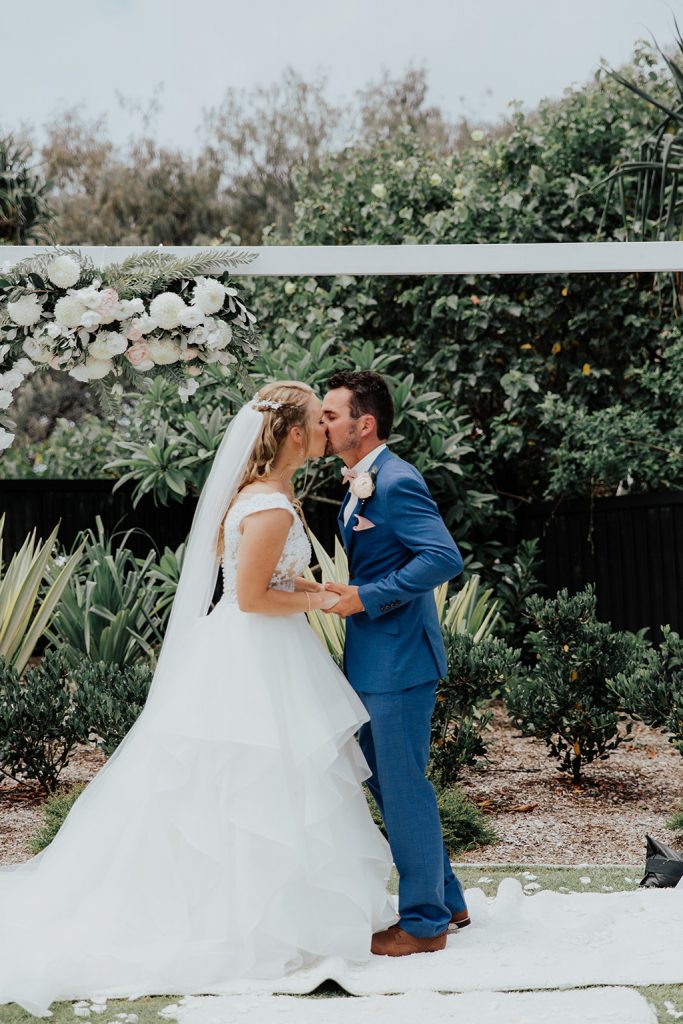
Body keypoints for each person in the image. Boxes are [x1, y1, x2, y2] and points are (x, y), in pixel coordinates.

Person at [0, 381, 397, 1018]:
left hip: (263, 649)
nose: (328, 427)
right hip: (256, 656)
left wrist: (307, 582)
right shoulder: (268, 503)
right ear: (295, 435)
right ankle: (249, 921)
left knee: (270, 786)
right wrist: (321, 600)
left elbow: (266, 575)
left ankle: (282, 911)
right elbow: (250, 598)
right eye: (318, 421)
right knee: (256, 784)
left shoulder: (272, 493)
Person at [321, 370, 468, 957]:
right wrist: (342, 590)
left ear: (366, 423)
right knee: (390, 784)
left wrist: (368, 595)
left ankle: (426, 924)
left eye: (332, 415)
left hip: (402, 661)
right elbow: (379, 560)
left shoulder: (396, 480)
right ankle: (449, 897)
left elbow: (442, 557)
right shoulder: (366, 479)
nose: (323, 424)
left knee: (404, 788)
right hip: (373, 657)